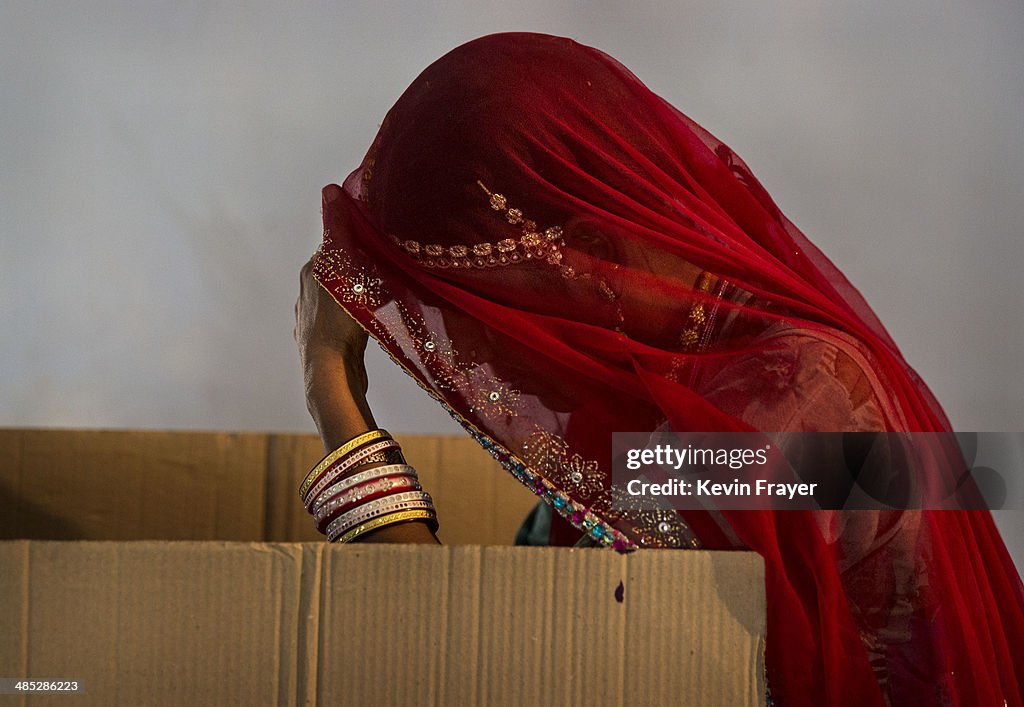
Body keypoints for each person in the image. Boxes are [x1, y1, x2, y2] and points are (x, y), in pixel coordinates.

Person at [294, 32, 1023, 706]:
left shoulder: (788, 403)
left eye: (480, 309)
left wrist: (333, 387)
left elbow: (464, 660)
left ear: (574, 253)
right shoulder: (676, 378)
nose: (480, 354)